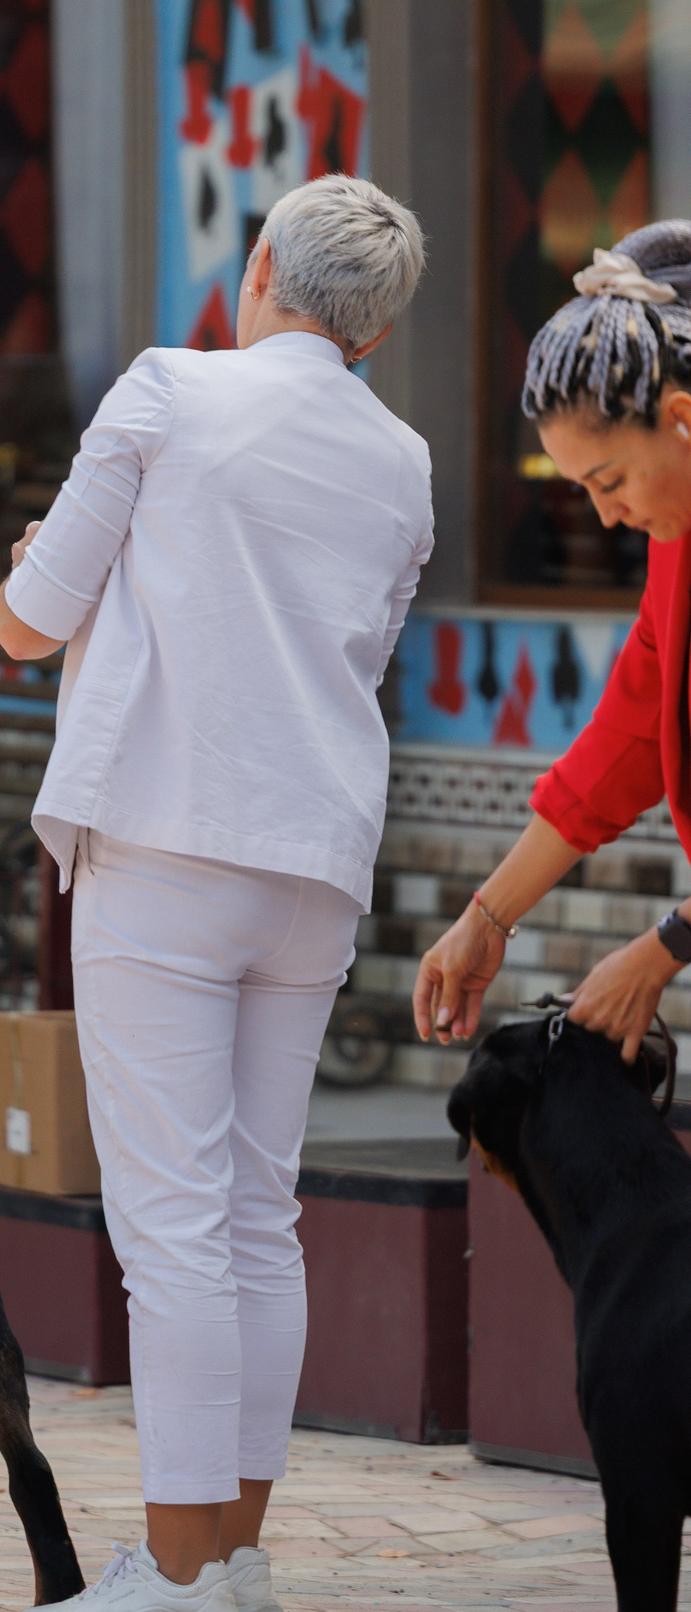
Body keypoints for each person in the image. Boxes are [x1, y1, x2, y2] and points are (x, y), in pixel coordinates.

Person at [0, 175, 431, 1612]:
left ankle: (175, 1577)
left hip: (169, 841)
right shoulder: (403, 458)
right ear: (373, 327)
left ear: (260, 273)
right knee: (256, 1214)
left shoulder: (169, 388)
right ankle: (234, 1560)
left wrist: (26, 570)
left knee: (173, 1222)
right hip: (311, 855)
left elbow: (29, 619)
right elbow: (356, 646)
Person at [417, 223, 691, 1070]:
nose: (605, 517)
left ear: (682, 417)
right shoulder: (675, 540)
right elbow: (629, 737)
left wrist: (662, 950)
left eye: (609, 481)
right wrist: (487, 916)